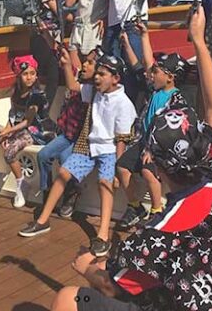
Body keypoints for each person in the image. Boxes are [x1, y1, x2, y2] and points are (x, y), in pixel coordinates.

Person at [50, 6, 212, 311]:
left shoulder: (152, 237)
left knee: (69, 297)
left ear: (155, 166)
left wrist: (86, 268)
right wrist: (199, 43)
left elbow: (111, 286)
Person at [20, 52, 136, 260]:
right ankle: (43, 220)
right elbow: (74, 86)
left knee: (105, 183)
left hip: (109, 149)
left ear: (116, 78)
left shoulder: (124, 104)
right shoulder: (94, 92)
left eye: (102, 74)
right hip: (90, 145)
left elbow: (122, 139)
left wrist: (118, 168)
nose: (97, 78)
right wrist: (66, 64)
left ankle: (103, 235)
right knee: (64, 173)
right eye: (97, 74)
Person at [117, 22, 188, 229]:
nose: (152, 74)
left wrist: (152, 149)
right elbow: (141, 65)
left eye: (157, 71)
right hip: (144, 142)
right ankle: (136, 205)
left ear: (170, 77)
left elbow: (170, 130)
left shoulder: (177, 100)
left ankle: (157, 210)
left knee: (149, 172)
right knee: (122, 166)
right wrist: (139, 39)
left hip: (160, 146)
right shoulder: (154, 89)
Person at [0, 55, 53, 208]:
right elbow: (13, 114)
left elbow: (28, 121)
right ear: (19, 75)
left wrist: (8, 133)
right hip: (17, 129)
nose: (29, 78)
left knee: (9, 152)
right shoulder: (16, 93)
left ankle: (21, 184)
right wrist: (6, 130)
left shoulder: (37, 95)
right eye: (25, 74)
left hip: (35, 131)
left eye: (32, 74)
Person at [34, 48, 99, 220]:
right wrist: (66, 63)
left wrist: (68, 65)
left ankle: (71, 193)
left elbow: (72, 85)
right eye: (84, 61)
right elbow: (64, 57)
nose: (84, 65)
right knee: (43, 155)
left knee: (65, 160)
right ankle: (47, 192)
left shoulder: (93, 90)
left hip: (80, 138)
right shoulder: (78, 78)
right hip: (67, 133)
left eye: (90, 63)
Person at [30, 0, 64, 107]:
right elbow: (59, 13)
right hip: (47, 38)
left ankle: (38, 110)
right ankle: (45, 109)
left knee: (44, 76)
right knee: (53, 77)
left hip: (40, 38)